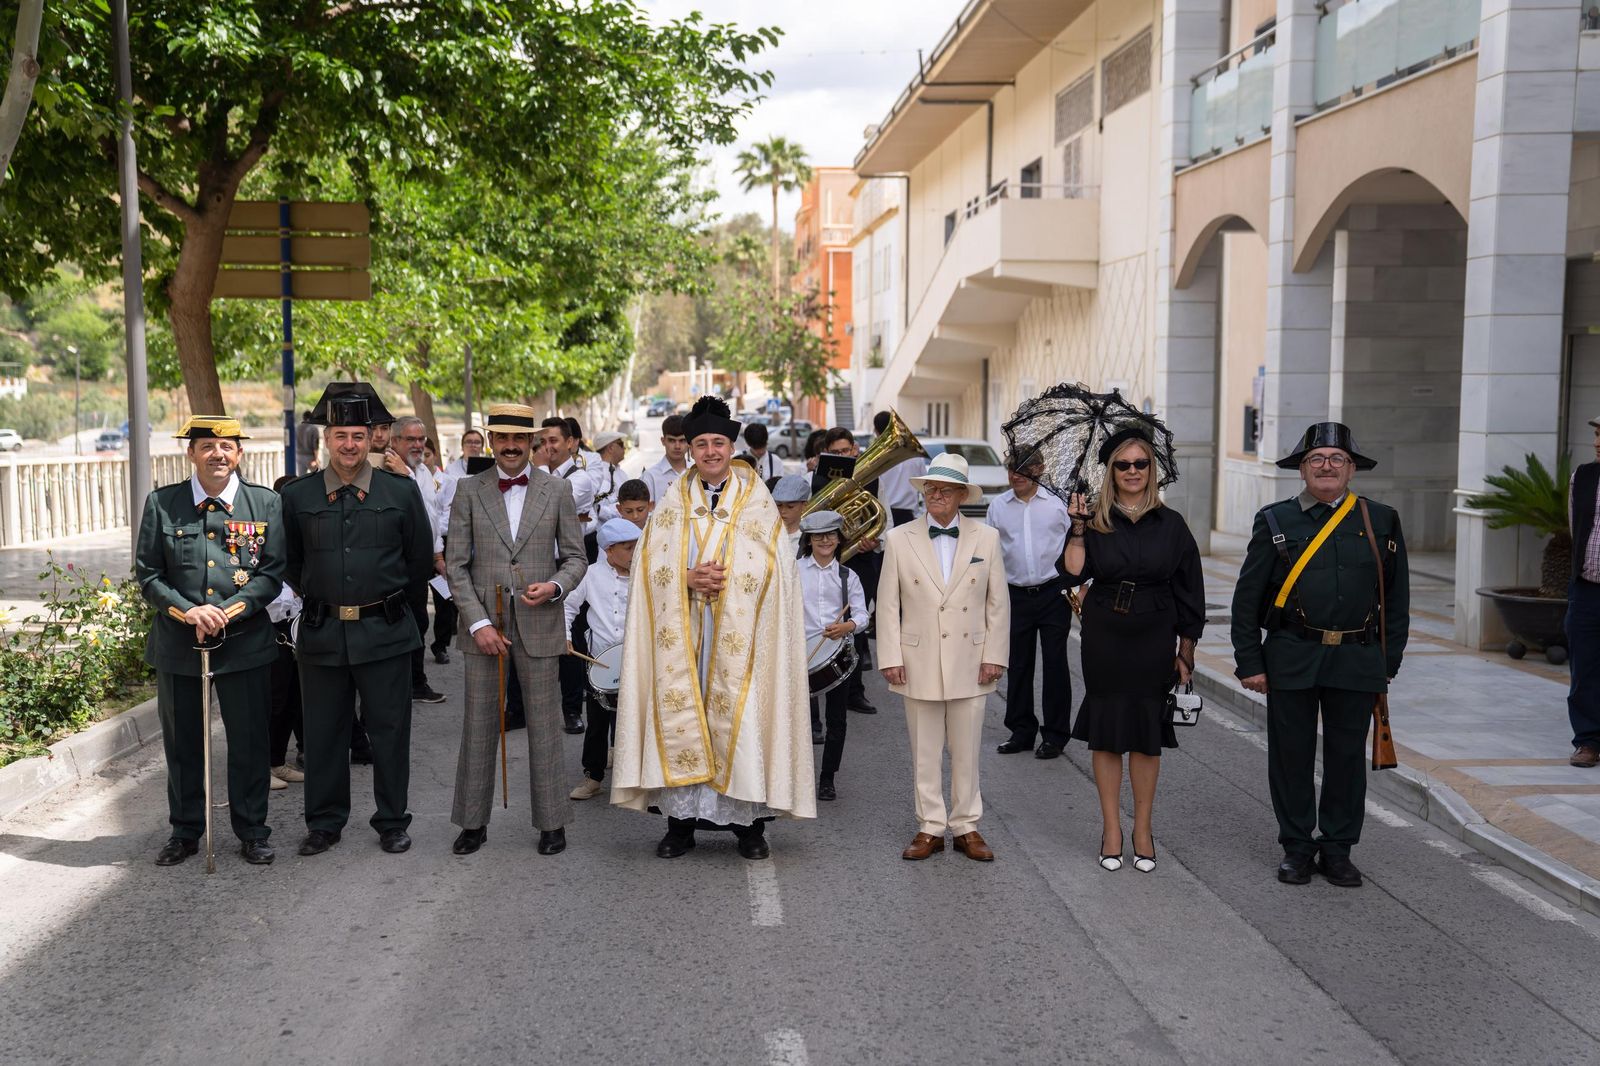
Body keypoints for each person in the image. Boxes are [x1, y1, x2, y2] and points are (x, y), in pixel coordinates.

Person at [611, 395, 815, 860]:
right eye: (700, 444)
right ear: (689, 449)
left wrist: (730, 581)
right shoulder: (671, 501)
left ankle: (749, 828)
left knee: (744, 721)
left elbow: (777, 571)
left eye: (717, 443)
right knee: (685, 718)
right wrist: (685, 578)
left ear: (731, 446)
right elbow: (646, 564)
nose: (710, 452)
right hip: (683, 635)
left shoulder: (758, 501)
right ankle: (681, 825)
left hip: (742, 640)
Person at [1231, 422, 1409, 888]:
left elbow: (1396, 598)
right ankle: (1296, 847)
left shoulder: (1381, 519)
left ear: (1351, 469)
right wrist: (1250, 661)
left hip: (1357, 657)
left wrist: (1387, 661)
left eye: (1336, 459)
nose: (1326, 466)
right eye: (1316, 459)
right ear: (1302, 469)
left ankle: (1337, 849)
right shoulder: (1275, 520)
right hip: (1292, 653)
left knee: (1347, 758)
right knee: (1290, 755)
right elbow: (1247, 598)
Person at [281, 388, 434, 857]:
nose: (349, 444)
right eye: (340, 435)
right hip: (323, 632)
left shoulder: (400, 491)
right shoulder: (298, 495)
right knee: (324, 734)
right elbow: (290, 561)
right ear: (327, 439)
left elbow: (419, 560)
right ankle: (324, 823)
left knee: (390, 732)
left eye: (358, 436)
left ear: (372, 439)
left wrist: (383, 598)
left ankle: (392, 821)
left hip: (385, 631)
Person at [135, 416, 284, 866]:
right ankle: (184, 832)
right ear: (191, 453)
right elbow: (149, 574)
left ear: (239, 453)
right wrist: (189, 611)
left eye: (226, 446)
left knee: (250, 742)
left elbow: (271, 573)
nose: (217, 454)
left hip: (244, 642)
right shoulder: (163, 503)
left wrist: (226, 612)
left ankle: (252, 830)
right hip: (180, 644)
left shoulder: (265, 503)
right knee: (183, 744)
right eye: (206, 446)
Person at [445, 403, 588, 856]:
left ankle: (552, 822)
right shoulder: (468, 489)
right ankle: (472, 823)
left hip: (539, 624)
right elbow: (455, 565)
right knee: (479, 726)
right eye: (502, 438)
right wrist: (478, 622)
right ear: (491, 441)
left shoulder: (558, 489)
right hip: (483, 627)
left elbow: (576, 557)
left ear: (533, 443)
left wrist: (555, 586)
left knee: (545, 727)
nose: (510, 446)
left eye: (519, 439)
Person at [1063, 428, 1205, 875]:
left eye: (1140, 464)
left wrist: (1185, 650)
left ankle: (1143, 829)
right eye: (1122, 465)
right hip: (1105, 634)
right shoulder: (1094, 520)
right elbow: (1072, 573)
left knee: (1146, 733)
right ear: (1111, 471)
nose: (1132, 471)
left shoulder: (1172, 524)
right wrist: (1077, 527)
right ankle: (1111, 829)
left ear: (1152, 470)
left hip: (1154, 634)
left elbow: (1190, 590)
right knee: (1107, 731)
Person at [877, 453, 1009, 862]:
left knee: (967, 751)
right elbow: (888, 605)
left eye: (945, 490)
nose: (935, 495)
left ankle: (966, 826)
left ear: (961, 496)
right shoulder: (899, 538)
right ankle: (930, 826)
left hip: (971, 657)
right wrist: (890, 656)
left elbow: (998, 604)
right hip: (918, 658)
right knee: (925, 750)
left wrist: (994, 656)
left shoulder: (987, 538)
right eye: (930, 488)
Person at [990, 448, 1073, 759]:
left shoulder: (1058, 504)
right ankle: (1021, 731)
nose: (1016, 475)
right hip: (1014, 595)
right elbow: (991, 553)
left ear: (1039, 469)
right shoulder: (998, 506)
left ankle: (1055, 735)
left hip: (1053, 593)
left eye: (1024, 469)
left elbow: (1076, 544)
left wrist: (1082, 587)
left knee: (1055, 664)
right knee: (1019, 665)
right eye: (1012, 469)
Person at [566, 517, 639, 800]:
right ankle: (593, 776)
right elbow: (568, 606)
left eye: (636, 547)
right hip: (600, 661)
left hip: (635, 658)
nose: (634, 553)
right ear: (609, 550)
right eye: (628, 548)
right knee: (597, 721)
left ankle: (632, 779)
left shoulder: (645, 573)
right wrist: (565, 636)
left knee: (632, 721)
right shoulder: (591, 574)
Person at [799, 510, 869, 801]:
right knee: (797, 721)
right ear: (809, 540)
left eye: (830, 535)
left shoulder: (848, 576)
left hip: (838, 655)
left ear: (839, 539)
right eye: (818, 536)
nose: (825, 540)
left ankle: (827, 777)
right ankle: (796, 777)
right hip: (800, 653)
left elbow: (862, 614)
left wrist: (847, 626)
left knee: (837, 719)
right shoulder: (793, 571)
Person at [821, 427, 881, 716]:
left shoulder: (871, 477)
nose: (843, 456)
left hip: (860, 560)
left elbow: (881, 517)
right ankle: (822, 683)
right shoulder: (818, 479)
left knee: (856, 626)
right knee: (826, 622)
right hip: (828, 559)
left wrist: (874, 540)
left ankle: (855, 692)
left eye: (846, 451)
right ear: (827, 454)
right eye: (836, 453)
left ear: (855, 450)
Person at [544, 416, 597, 734]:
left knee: (571, 636)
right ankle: (519, 708)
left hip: (571, 562)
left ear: (570, 443)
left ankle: (572, 709)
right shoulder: (537, 476)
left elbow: (549, 507)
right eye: (542, 442)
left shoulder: (581, 479)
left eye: (553, 440)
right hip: (540, 562)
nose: (547, 447)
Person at [391, 415, 448, 704]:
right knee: (404, 624)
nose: (417, 445)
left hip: (422, 561)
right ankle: (406, 684)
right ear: (395, 441)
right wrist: (406, 475)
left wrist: (437, 554)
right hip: (398, 562)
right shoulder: (388, 470)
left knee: (419, 622)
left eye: (421, 439)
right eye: (410, 439)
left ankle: (416, 681)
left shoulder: (422, 470)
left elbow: (432, 516)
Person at [266, 475, 304, 792]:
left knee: (292, 700)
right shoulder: (265, 533)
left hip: (295, 628)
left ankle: (277, 760)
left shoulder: (299, 536)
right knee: (271, 702)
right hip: (270, 627)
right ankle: (260, 766)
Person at [1566, 415, 1600, 768]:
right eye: (1596, 434)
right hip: (1587, 589)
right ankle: (1588, 741)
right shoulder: (1583, 476)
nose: (1597, 442)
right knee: (1584, 666)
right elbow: (1575, 526)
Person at [581, 430, 628, 559]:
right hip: (606, 542)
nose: (624, 448)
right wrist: (623, 509)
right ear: (611, 447)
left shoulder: (619, 472)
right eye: (621, 444)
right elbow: (598, 508)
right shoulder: (600, 473)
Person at [874, 410, 925, 526]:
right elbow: (925, 487)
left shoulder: (876, 457)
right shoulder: (915, 455)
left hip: (883, 515)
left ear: (876, 431)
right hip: (909, 515)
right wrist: (923, 514)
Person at [642, 413, 692, 502]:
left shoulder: (698, 472)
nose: (677, 446)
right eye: (672, 440)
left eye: (682, 440)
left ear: (689, 442)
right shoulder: (650, 477)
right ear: (663, 441)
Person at [772, 474, 811, 557]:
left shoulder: (810, 538)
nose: (783, 511)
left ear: (804, 505)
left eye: (790, 506)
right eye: (779, 505)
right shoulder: (765, 532)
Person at [295, 410, 321, 475]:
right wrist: (316, 459)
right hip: (310, 458)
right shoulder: (314, 428)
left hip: (299, 456)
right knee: (317, 476)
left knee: (301, 478)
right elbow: (315, 445)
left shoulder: (297, 428)